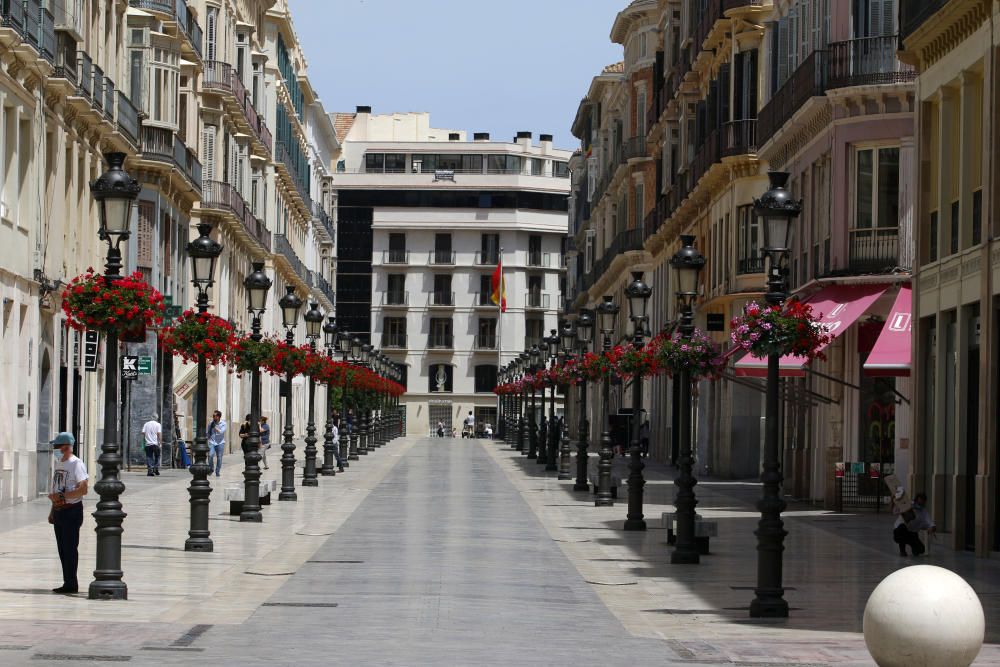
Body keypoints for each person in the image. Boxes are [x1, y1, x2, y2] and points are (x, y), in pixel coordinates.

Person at [48, 432, 88, 594]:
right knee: (62, 549)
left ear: (65, 447)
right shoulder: (59, 463)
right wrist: (52, 510)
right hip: (59, 511)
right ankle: (67, 581)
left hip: (72, 511)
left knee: (70, 548)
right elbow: (56, 488)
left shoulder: (76, 464)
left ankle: (72, 583)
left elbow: (83, 489)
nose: (55, 449)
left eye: (57, 446)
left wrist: (63, 496)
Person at [893, 491, 936, 557]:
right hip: (900, 531)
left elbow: (930, 523)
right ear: (916, 500)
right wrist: (895, 501)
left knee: (921, 550)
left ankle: (914, 547)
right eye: (918, 502)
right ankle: (902, 551)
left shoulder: (924, 512)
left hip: (912, 533)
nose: (920, 504)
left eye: (922, 502)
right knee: (902, 528)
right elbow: (895, 511)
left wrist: (931, 528)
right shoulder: (908, 505)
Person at [207, 410, 227, 477]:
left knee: (219, 458)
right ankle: (211, 469)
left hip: (220, 443)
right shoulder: (211, 423)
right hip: (212, 442)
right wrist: (208, 439)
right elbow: (208, 432)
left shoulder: (223, 423)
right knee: (210, 455)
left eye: (214, 416)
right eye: (213, 416)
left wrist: (215, 427)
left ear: (218, 417)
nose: (213, 417)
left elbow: (221, 432)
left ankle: (217, 471)